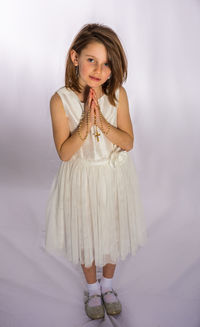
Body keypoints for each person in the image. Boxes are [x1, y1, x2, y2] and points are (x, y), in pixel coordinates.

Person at [45, 23, 147, 320]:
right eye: (92, 60)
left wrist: (102, 122)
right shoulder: (59, 100)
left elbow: (127, 142)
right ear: (75, 58)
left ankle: (109, 285)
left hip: (114, 178)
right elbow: (65, 153)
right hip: (83, 178)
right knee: (87, 231)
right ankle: (92, 289)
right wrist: (86, 124)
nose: (99, 70)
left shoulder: (117, 95)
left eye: (107, 64)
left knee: (112, 231)